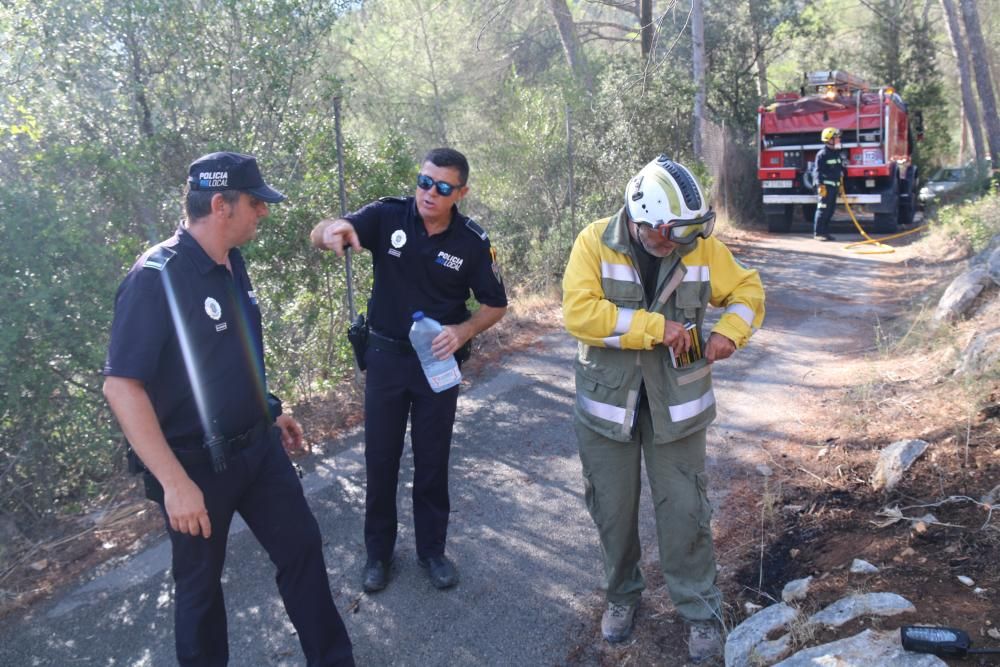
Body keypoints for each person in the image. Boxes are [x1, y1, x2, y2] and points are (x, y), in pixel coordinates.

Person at [103, 152, 355, 667]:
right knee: (200, 592)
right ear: (220, 205)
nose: (263, 212)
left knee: (302, 547)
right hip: (194, 469)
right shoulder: (155, 279)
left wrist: (268, 408)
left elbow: (232, 352)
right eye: (255, 203)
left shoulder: (231, 262)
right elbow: (122, 387)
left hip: (256, 450)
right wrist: (174, 484)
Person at [562, 155, 765, 662]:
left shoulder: (700, 247)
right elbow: (579, 313)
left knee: (686, 512)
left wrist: (730, 334)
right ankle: (622, 596)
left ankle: (700, 611)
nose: (678, 245)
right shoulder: (594, 242)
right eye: (668, 235)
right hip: (609, 409)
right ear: (640, 219)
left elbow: (747, 289)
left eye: (685, 236)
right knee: (612, 512)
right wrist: (656, 328)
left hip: (678, 407)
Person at [310, 147, 507, 593]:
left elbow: (496, 304)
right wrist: (331, 230)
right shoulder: (387, 216)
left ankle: (432, 552)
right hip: (385, 360)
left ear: (461, 193)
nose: (428, 194)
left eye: (441, 188)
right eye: (423, 182)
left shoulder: (472, 242)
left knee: (432, 461)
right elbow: (323, 232)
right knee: (380, 461)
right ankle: (378, 555)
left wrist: (463, 330)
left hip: (437, 365)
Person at [812, 126, 844, 241]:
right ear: (829, 140)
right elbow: (817, 171)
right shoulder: (822, 154)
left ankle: (825, 233)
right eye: (836, 138)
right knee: (822, 210)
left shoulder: (836, 153)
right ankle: (818, 233)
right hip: (825, 187)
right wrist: (820, 185)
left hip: (834, 187)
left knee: (830, 211)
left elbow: (838, 171)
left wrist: (840, 186)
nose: (839, 140)